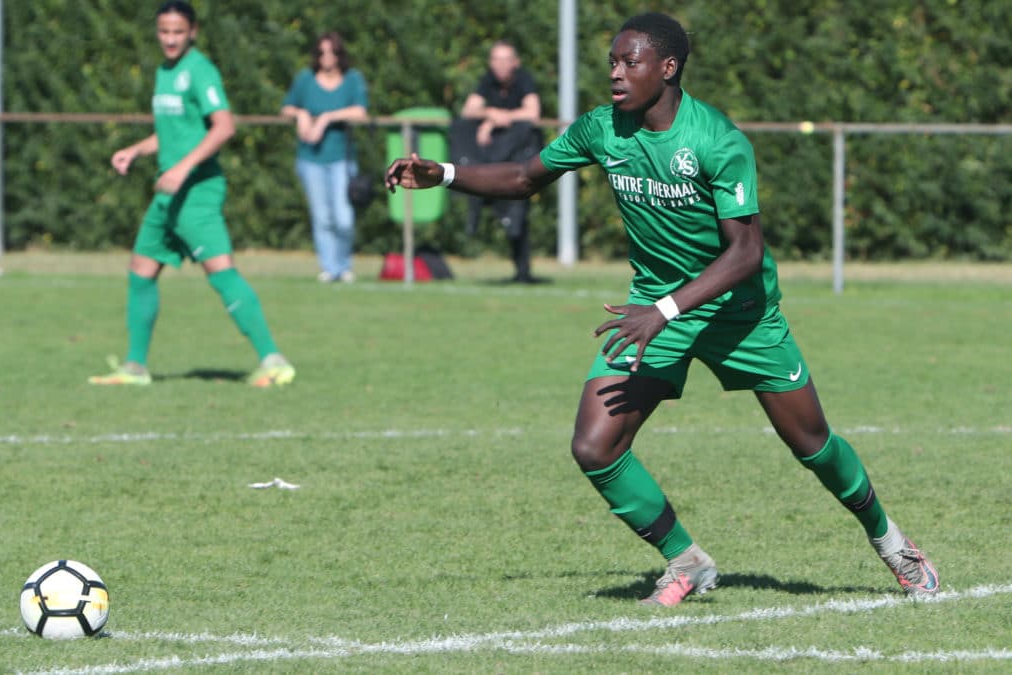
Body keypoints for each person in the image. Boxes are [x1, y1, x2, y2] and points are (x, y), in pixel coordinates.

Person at [386, 12, 939, 606]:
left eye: (631, 62)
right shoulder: (602, 129)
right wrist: (443, 173)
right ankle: (686, 560)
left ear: (668, 68)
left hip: (739, 313)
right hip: (656, 310)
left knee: (812, 444)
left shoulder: (716, 139)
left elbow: (745, 251)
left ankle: (893, 544)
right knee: (594, 446)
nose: (616, 74)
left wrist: (667, 308)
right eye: (612, 62)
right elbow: (524, 177)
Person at [89, 1, 295, 388]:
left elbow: (224, 127)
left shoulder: (199, 71)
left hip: (197, 191)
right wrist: (136, 150)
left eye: (178, 32)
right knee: (141, 269)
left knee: (220, 272)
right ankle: (135, 367)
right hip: (168, 193)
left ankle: (273, 359)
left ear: (193, 32)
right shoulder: (164, 72)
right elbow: (173, 133)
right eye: (164, 31)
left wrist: (183, 169)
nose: (170, 39)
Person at [280, 32, 369, 283]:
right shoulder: (306, 79)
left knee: (343, 216)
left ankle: (344, 264)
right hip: (311, 159)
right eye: (321, 53)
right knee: (322, 217)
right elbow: (286, 106)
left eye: (332, 52)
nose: (326, 58)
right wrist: (300, 114)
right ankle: (329, 268)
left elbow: (360, 111)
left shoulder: (352, 79)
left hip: (341, 157)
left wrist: (328, 117)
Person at [452, 40, 543, 283]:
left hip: (521, 160)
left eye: (506, 59)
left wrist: (502, 118)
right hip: (493, 161)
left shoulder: (524, 79)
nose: (500, 65)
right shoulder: (487, 81)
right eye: (496, 59)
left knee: (518, 211)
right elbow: (468, 111)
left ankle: (523, 270)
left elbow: (533, 112)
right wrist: (491, 116)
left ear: (516, 62)